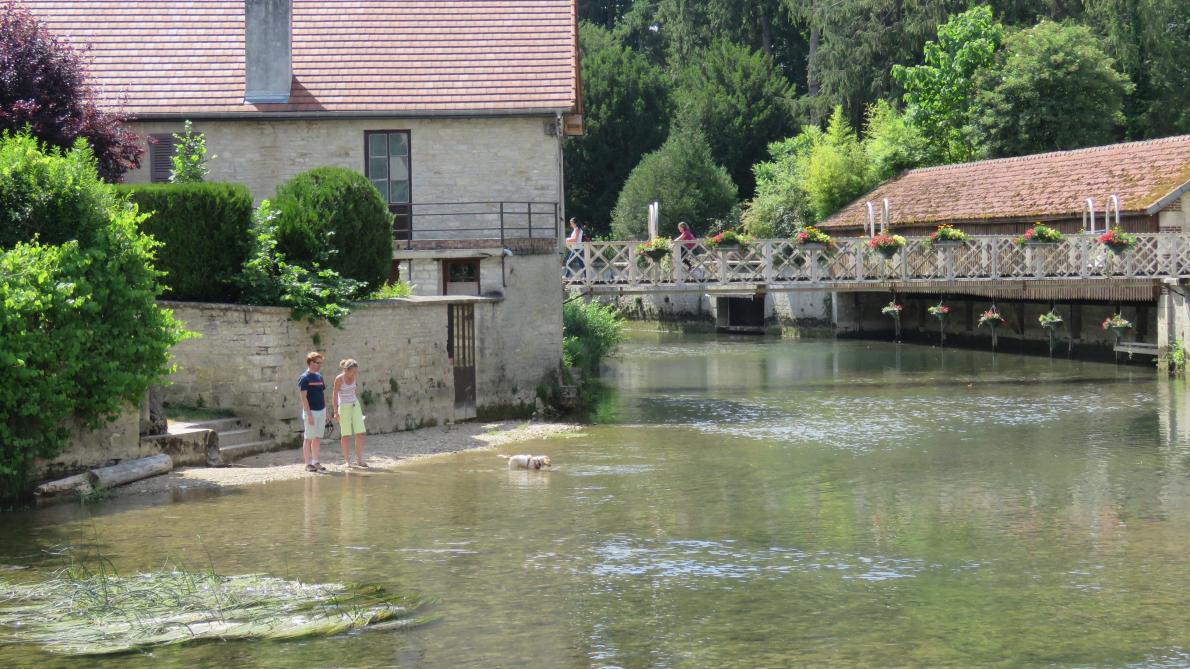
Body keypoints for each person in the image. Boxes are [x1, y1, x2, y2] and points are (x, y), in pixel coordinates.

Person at [332, 358, 368, 468]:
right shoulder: (339, 379)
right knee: (345, 435)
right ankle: (347, 461)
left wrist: (354, 403)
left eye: (356, 372)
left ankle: (359, 459)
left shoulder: (354, 376)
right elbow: (334, 396)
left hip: (355, 405)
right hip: (343, 407)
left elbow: (353, 391)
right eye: (353, 371)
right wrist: (335, 412)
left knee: (359, 433)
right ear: (346, 370)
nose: (354, 374)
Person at [298, 351, 328, 473]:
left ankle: (315, 461)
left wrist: (327, 411)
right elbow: (303, 397)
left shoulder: (319, 377)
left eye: (320, 363)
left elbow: (322, 394)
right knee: (308, 438)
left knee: (317, 437)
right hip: (311, 412)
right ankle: (307, 464)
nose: (319, 365)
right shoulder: (304, 378)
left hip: (321, 410)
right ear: (311, 363)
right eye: (317, 363)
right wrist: (309, 414)